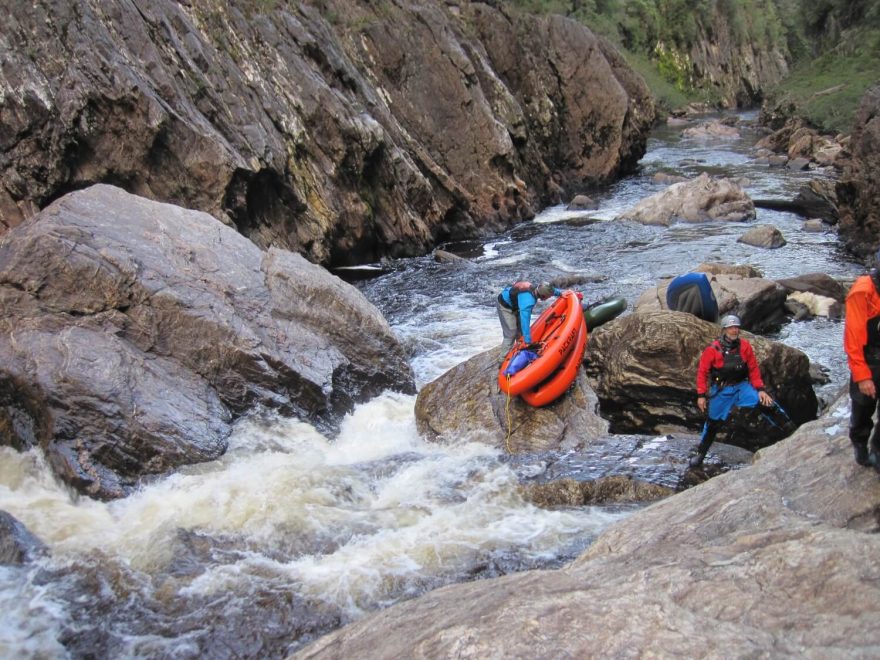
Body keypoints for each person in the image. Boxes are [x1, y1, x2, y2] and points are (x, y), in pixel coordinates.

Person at [690, 313, 775, 467]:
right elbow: (702, 373)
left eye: (736, 327)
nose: (734, 330)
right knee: (712, 423)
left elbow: (753, 369)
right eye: (730, 328)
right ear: (724, 330)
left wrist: (760, 389)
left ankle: (788, 433)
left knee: (766, 403)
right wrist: (701, 395)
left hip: (742, 387)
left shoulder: (745, 346)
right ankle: (701, 453)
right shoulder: (713, 349)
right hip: (722, 391)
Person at [844, 248, 880, 469]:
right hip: (870, 359)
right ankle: (859, 442)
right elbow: (853, 339)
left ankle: (877, 450)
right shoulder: (863, 291)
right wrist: (862, 375)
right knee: (863, 407)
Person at [496, 281, 561, 355]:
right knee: (511, 333)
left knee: (520, 333)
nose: (549, 298)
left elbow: (550, 289)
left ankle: (519, 352)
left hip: (516, 305)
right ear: (543, 296)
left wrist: (560, 293)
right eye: (548, 297)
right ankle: (503, 359)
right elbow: (525, 322)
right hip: (505, 306)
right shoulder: (528, 302)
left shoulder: (538, 288)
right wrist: (528, 342)